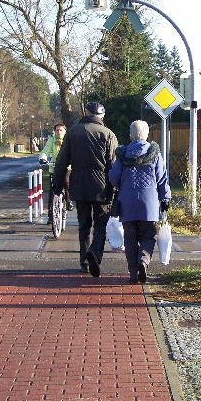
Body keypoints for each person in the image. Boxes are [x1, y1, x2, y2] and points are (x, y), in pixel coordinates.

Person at [52, 102, 118, 276]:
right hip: (101, 186)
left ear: (86, 113)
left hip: (79, 185)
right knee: (101, 224)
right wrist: (116, 188)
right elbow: (113, 165)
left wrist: (57, 185)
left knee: (84, 224)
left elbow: (62, 160)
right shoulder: (109, 134)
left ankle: (84, 262)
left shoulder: (73, 131)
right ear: (101, 116)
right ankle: (95, 254)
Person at [108, 120, 170, 284]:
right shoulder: (155, 153)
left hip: (126, 203)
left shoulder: (122, 154)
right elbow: (162, 179)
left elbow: (113, 178)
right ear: (147, 134)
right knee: (148, 236)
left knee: (129, 239)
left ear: (130, 135)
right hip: (149, 203)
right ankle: (143, 260)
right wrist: (165, 198)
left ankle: (133, 274)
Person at [39, 123, 66, 224]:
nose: (59, 132)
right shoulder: (52, 140)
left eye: (61, 130)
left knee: (67, 183)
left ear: (65, 131)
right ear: (54, 132)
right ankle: (51, 215)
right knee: (52, 191)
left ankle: (68, 201)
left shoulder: (68, 140)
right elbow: (45, 151)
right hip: (54, 168)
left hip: (67, 167)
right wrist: (43, 158)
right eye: (57, 130)